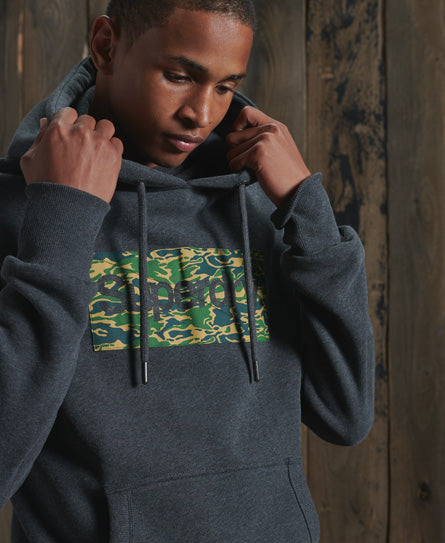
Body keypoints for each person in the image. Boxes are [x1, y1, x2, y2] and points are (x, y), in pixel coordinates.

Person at [0, 1, 375, 541]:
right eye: (179, 76)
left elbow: (346, 414)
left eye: (225, 87)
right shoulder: (26, 210)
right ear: (105, 45)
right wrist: (63, 220)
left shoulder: (261, 202)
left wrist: (306, 205)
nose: (201, 114)